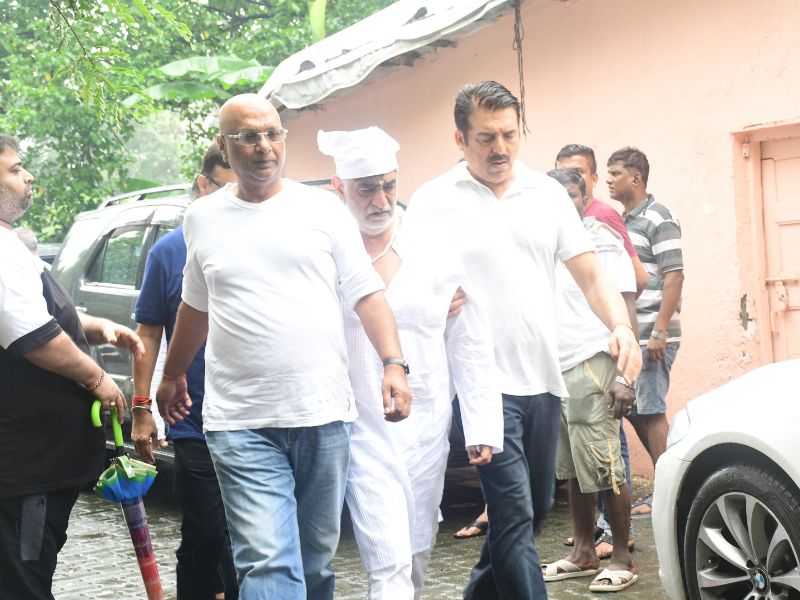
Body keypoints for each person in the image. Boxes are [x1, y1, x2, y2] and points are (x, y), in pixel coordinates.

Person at [156, 94, 412, 600]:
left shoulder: (323, 210)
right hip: (240, 421)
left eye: (272, 133)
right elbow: (195, 305)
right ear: (224, 146)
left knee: (313, 563)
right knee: (268, 562)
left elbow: (365, 291)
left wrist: (394, 363)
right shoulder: (202, 218)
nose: (264, 146)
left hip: (322, 415)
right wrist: (172, 373)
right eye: (248, 136)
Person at [404, 81, 641, 599]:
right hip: (480, 384)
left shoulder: (546, 195)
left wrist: (621, 326)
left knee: (531, 511)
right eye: (486, 137)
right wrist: (427, 299)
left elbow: (590, 276)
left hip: (543, 377)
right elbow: (399, 281)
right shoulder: (432, 201)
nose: (501, 148)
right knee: (512, 514)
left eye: (509, 135)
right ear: (460, 139)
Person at [318, 127, 503, 599]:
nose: (380, 200)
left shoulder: (432, 248)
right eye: (366, 189)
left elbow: (468, 341)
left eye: (389, 186)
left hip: (426, 425)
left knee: (416, 554)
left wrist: (481, 421)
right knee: (389, 560)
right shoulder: (323, 254)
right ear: (340, 187)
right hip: (358, 425)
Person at [0, 134, 143, 599]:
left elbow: (38, 315)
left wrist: (95, 327)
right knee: (23, 582)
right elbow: (33, 337)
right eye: (15, 169)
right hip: (25, 465)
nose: (28, 177)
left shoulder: (10, 245)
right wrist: (98, 378)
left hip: (37, 461)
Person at [131, 142, 238, 600]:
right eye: (227, 188)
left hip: (256, 414)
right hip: (193, 415)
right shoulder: (170, 251)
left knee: (247, 537)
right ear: (203, 185)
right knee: (207, 531)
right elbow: (149, 332)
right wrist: (142, 407)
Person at [541, 168, 637, 592]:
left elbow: (625, 306)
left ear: (584, 198)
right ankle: (583, 552)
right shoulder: (544, 247)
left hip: (594, 363)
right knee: (574, 471)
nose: (564, 203)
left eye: (571, 195)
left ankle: (621, 558)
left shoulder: (601, 241)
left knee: (606, 465)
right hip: (556, 371)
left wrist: (625, 375)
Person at [607, 146, 684, 517]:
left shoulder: (659, 217)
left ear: (636, 177)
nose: (608, 180)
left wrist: (660, 331)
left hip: (654, 334)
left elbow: (675, 276)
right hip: (634, 336)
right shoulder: (624, 220)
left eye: (615, 173)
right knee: (636, 410)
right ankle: (664, 488)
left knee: (651, 411)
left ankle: (672, 494)